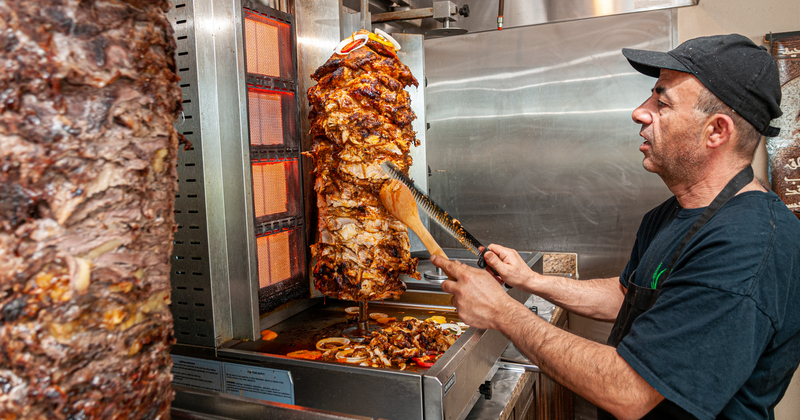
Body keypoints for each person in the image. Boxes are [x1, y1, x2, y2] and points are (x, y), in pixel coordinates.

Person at [431, 34, 800, 420]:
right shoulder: (671, 214)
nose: (639, 112)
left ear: (716, 132)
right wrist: (529, 280)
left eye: (662, 102)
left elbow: (631, 390)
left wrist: (502, 311)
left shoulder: (750, 245)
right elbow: (630, 297)